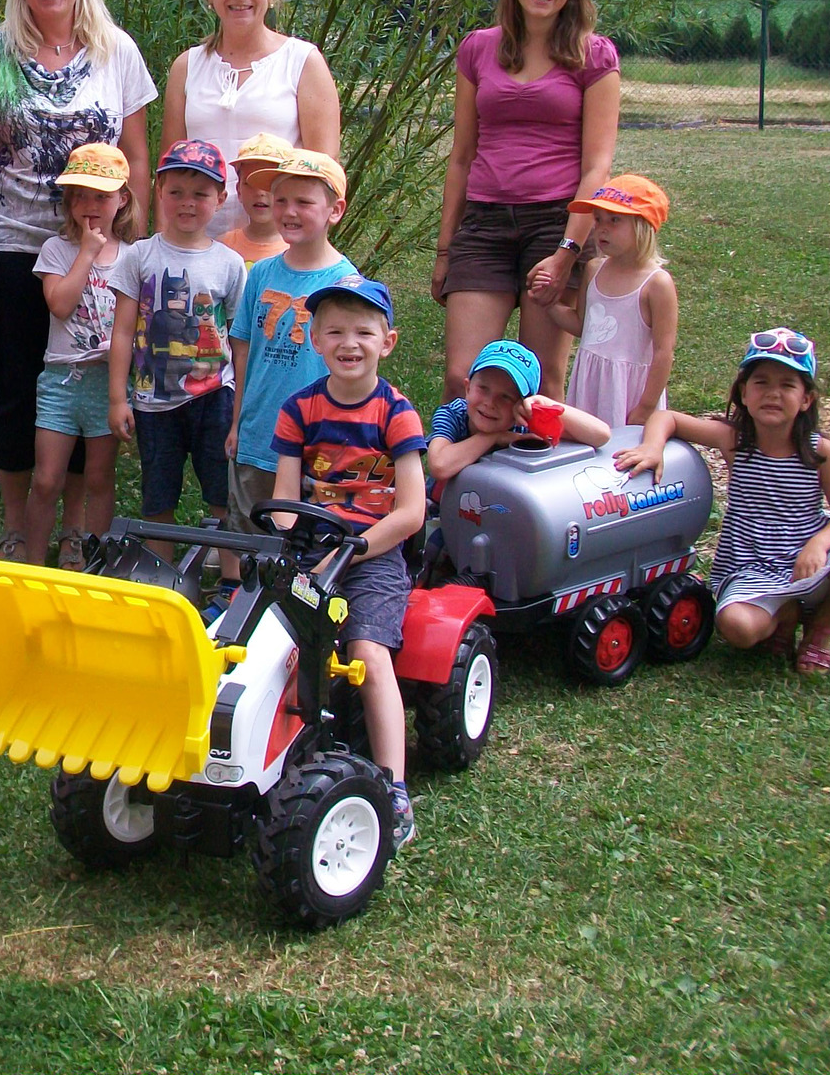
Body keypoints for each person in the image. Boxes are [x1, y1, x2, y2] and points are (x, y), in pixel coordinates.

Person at [0, 0, 156, 563]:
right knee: (21, 387)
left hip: (102, 249)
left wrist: (138, 242)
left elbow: (136, 150)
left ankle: (76, 529)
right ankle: (20, 524)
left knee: (94, 374)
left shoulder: (117, 51)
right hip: (15, 244)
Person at [616, 329, 830, 675]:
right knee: (737, 628)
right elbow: (667, 417)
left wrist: (819, 544)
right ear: (744, 392)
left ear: (806, 399)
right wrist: (652, 447)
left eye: (787, 385)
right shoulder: (736, 440)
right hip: (751, 568)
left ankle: (819, 630)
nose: (773, 393)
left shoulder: (819, 452)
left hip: (808, 562)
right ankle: (785, 615)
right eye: (761, 382)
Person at [433, 0, 621, 401]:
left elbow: (597, 167)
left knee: (541, 388)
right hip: (484, 224)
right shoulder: (479, 48)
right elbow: (461, 156)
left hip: (557, 223)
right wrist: (445, 249)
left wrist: (566, 254)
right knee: (464, 379)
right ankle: (466, 477)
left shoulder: (593, 55)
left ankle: (532, 475)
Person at [268, 277, 427, 846]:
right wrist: (290, 546)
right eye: (335, 329)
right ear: (314, 338)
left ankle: (394, 785)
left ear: (388, 341)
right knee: (270, 643)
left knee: (367, 651)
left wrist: (353, 548)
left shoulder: (397, 415)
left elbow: (411, 511)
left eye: (364, 331)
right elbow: (286, 502)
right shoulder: (299, 410)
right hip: (313, 552)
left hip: (374, 555)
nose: (349, 341)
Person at [224, 149, 355, 592]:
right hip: (259, 432)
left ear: (335, 210)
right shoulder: (260, 274)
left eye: (304, 202)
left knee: (303, 541)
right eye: (281, 201)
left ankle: (297, 616)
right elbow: (244, 352)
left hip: (316, 442)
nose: (289, 212)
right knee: (249, 532)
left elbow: (352, 372)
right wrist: (237, 422)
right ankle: (239, 608)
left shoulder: (345, 284)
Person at [108, 140, 247, 540]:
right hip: (154, 400)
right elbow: (121, 331)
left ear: (220, 198)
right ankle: (159, 578)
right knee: (158, 497)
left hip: (214, 396)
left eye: (200, 194)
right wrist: (119, 398)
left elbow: (240, 342)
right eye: (176, 193)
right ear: (158, 190)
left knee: (222, 494)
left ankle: (229, 580)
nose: (188, 203)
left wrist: (239, 411)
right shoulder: (139, 256)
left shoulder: (230, 264)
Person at [159, 0, 341, 238]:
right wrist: (164, 249)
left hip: (278, 248)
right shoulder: (186, 67)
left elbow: (323, 174)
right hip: (198, 248)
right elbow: (167, 174)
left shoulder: (303, 62)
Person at [24, 143, 137, 570]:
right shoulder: (56, 249)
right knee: (48, 478)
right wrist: (87, 252)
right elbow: (59, 304)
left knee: (98, 478)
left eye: (102, 196)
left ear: (122, 199)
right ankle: (32, 565)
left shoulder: (134, 254)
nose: (90, 205)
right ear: (69, 200)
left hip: (109, 381)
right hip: (61, 378)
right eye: (80, 195)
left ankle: (96, 567)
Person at [550, 175, 677, 430]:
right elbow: (583, 325)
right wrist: (548, 302)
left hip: (629, 390)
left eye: (614, 220)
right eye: (597, 220)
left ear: (643, 225)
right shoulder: (594, 270)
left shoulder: (657, 284)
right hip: (591, 381)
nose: (601, 228)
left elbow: (664, 352)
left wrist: (646, 406)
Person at [426, 340, 610, 507]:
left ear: (521, 406)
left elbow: (600, 435)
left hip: (503, 512)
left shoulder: (524, 424)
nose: (490, 403)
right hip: (442, 508)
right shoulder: (453, 414)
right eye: (483, 388)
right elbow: (440, 465)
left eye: (506, 397)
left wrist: (547, 405)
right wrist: (494, 436)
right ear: (467, 388)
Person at [222, 133, 293, 264]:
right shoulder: (223, 247)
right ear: (238, 190)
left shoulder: (298, 250)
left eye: (269, 184)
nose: (260, 192)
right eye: (251, 183)